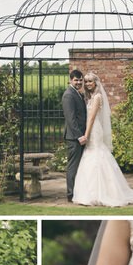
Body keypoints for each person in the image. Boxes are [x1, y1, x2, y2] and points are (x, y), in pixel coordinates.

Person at [71, 73, 133, 207]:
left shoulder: (97, 97)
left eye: (90, 81)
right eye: (85, 82)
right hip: (90, 127)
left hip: (93, 129)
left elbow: (92, 118)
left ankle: (102, 193)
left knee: (97, 154)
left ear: (96, 83)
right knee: (90, 156)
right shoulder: (89, 96)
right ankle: (90, 193)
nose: (87, 84)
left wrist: (86, 135)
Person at [61, 69, 87, 201]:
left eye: (80, 80)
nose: (78, 82)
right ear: (71, 80)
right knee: (73, 166)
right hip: (74, 137)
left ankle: (78, 191)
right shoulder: (68, 95)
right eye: (76, 80)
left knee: (80, 166)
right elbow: (71, 119)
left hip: (81, 136)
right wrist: (79, 136)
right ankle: (70, 195)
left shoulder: (78, 93)